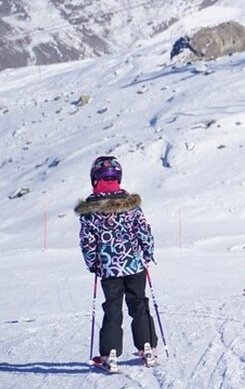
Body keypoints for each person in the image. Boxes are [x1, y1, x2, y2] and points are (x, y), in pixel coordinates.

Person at [76, 156, 158, 371]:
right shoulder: (131, 204)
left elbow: (87, 241)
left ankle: (109, 353)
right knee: (139, 303)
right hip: (134, 265)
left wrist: (93, 263)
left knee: (112, 308)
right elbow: (144, 231)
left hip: (108, 268)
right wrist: (147, 254)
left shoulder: (91, 209)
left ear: (94, 178)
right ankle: (147, 347)